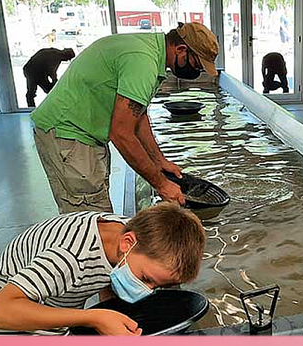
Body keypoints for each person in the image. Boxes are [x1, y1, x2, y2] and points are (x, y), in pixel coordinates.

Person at [31, 22, 218, 214]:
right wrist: (162, 184)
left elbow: (138, 115)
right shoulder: (143, 61)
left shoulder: (149, 50)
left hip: (84, 132)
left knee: (98, 205)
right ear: (180, 49)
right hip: (68, 134)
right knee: (92, 219)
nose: (196, 72)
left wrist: (159, 160)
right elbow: (121, 134)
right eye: (196, 64)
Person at [0, 202, 206, 336]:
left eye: (158, 286)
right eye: (146, 278)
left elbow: (106, 277)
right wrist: (93, 317)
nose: (147, 291)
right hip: (13, 318)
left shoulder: (129, 234)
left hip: (56, 298)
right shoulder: (69, 258)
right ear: (128, 243)